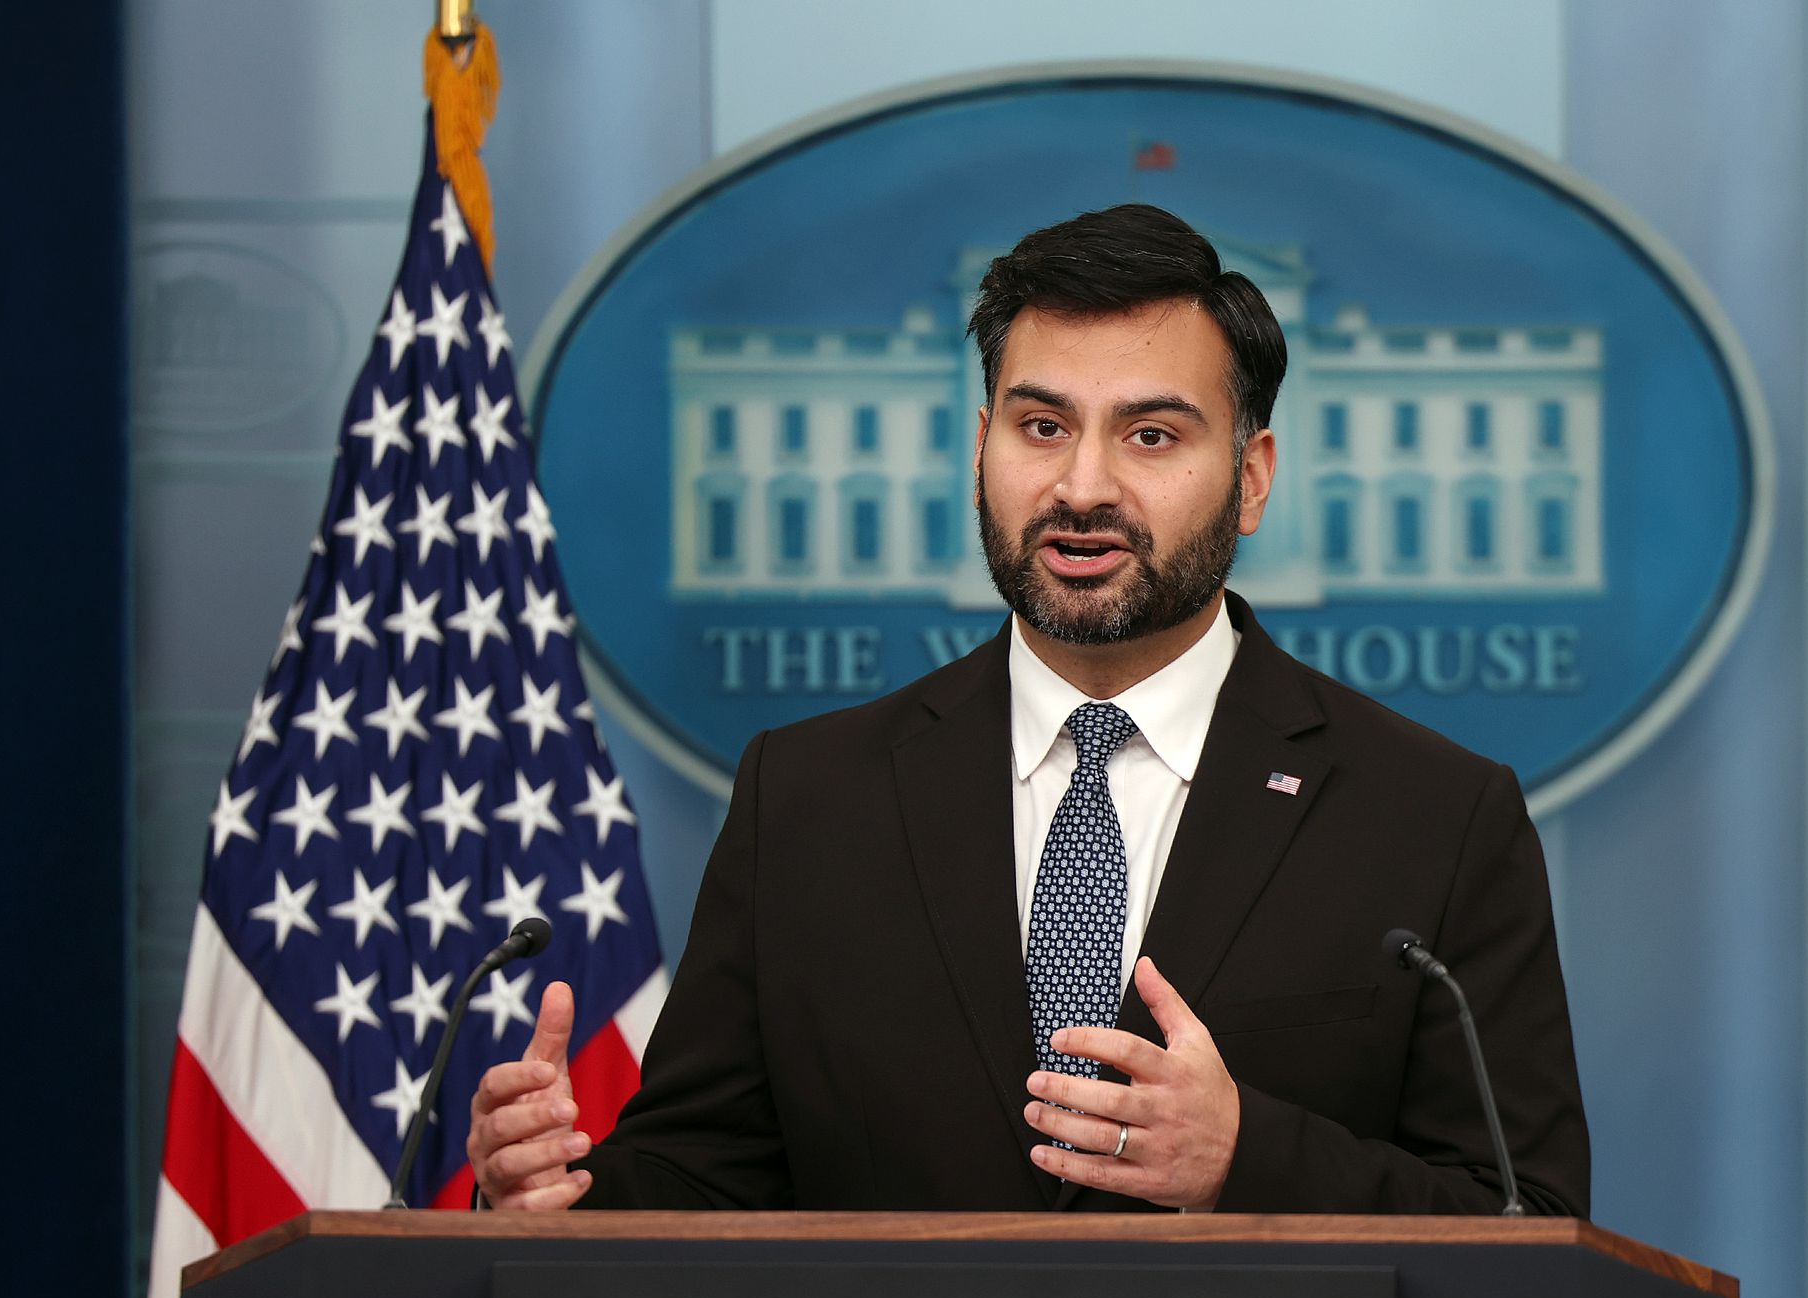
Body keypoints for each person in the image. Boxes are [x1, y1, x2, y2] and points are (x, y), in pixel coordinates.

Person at [468, 204, 1588, 1216]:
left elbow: (1527, 1220)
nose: (1083, 487)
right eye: (1041, 426)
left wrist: (1245, 1156)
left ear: (1251, 478)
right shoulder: (808, 800)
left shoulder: (1434, 819)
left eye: (1151, 435)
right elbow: (704, 1179)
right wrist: (560, 1194)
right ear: (979, 449)